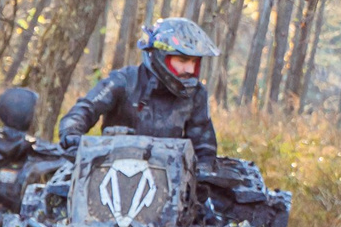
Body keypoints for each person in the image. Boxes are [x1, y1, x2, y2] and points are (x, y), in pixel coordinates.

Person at [56, 17, 220, 159]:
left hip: (170, 179)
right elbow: (85, 109)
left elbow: (204, 147)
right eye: (183, 60)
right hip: (110, 168)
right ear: (162, 56)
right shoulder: (124, 81)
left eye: (194, 62)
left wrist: (202, 174)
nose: (190, 69)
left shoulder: (196, 94)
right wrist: (71, 134)